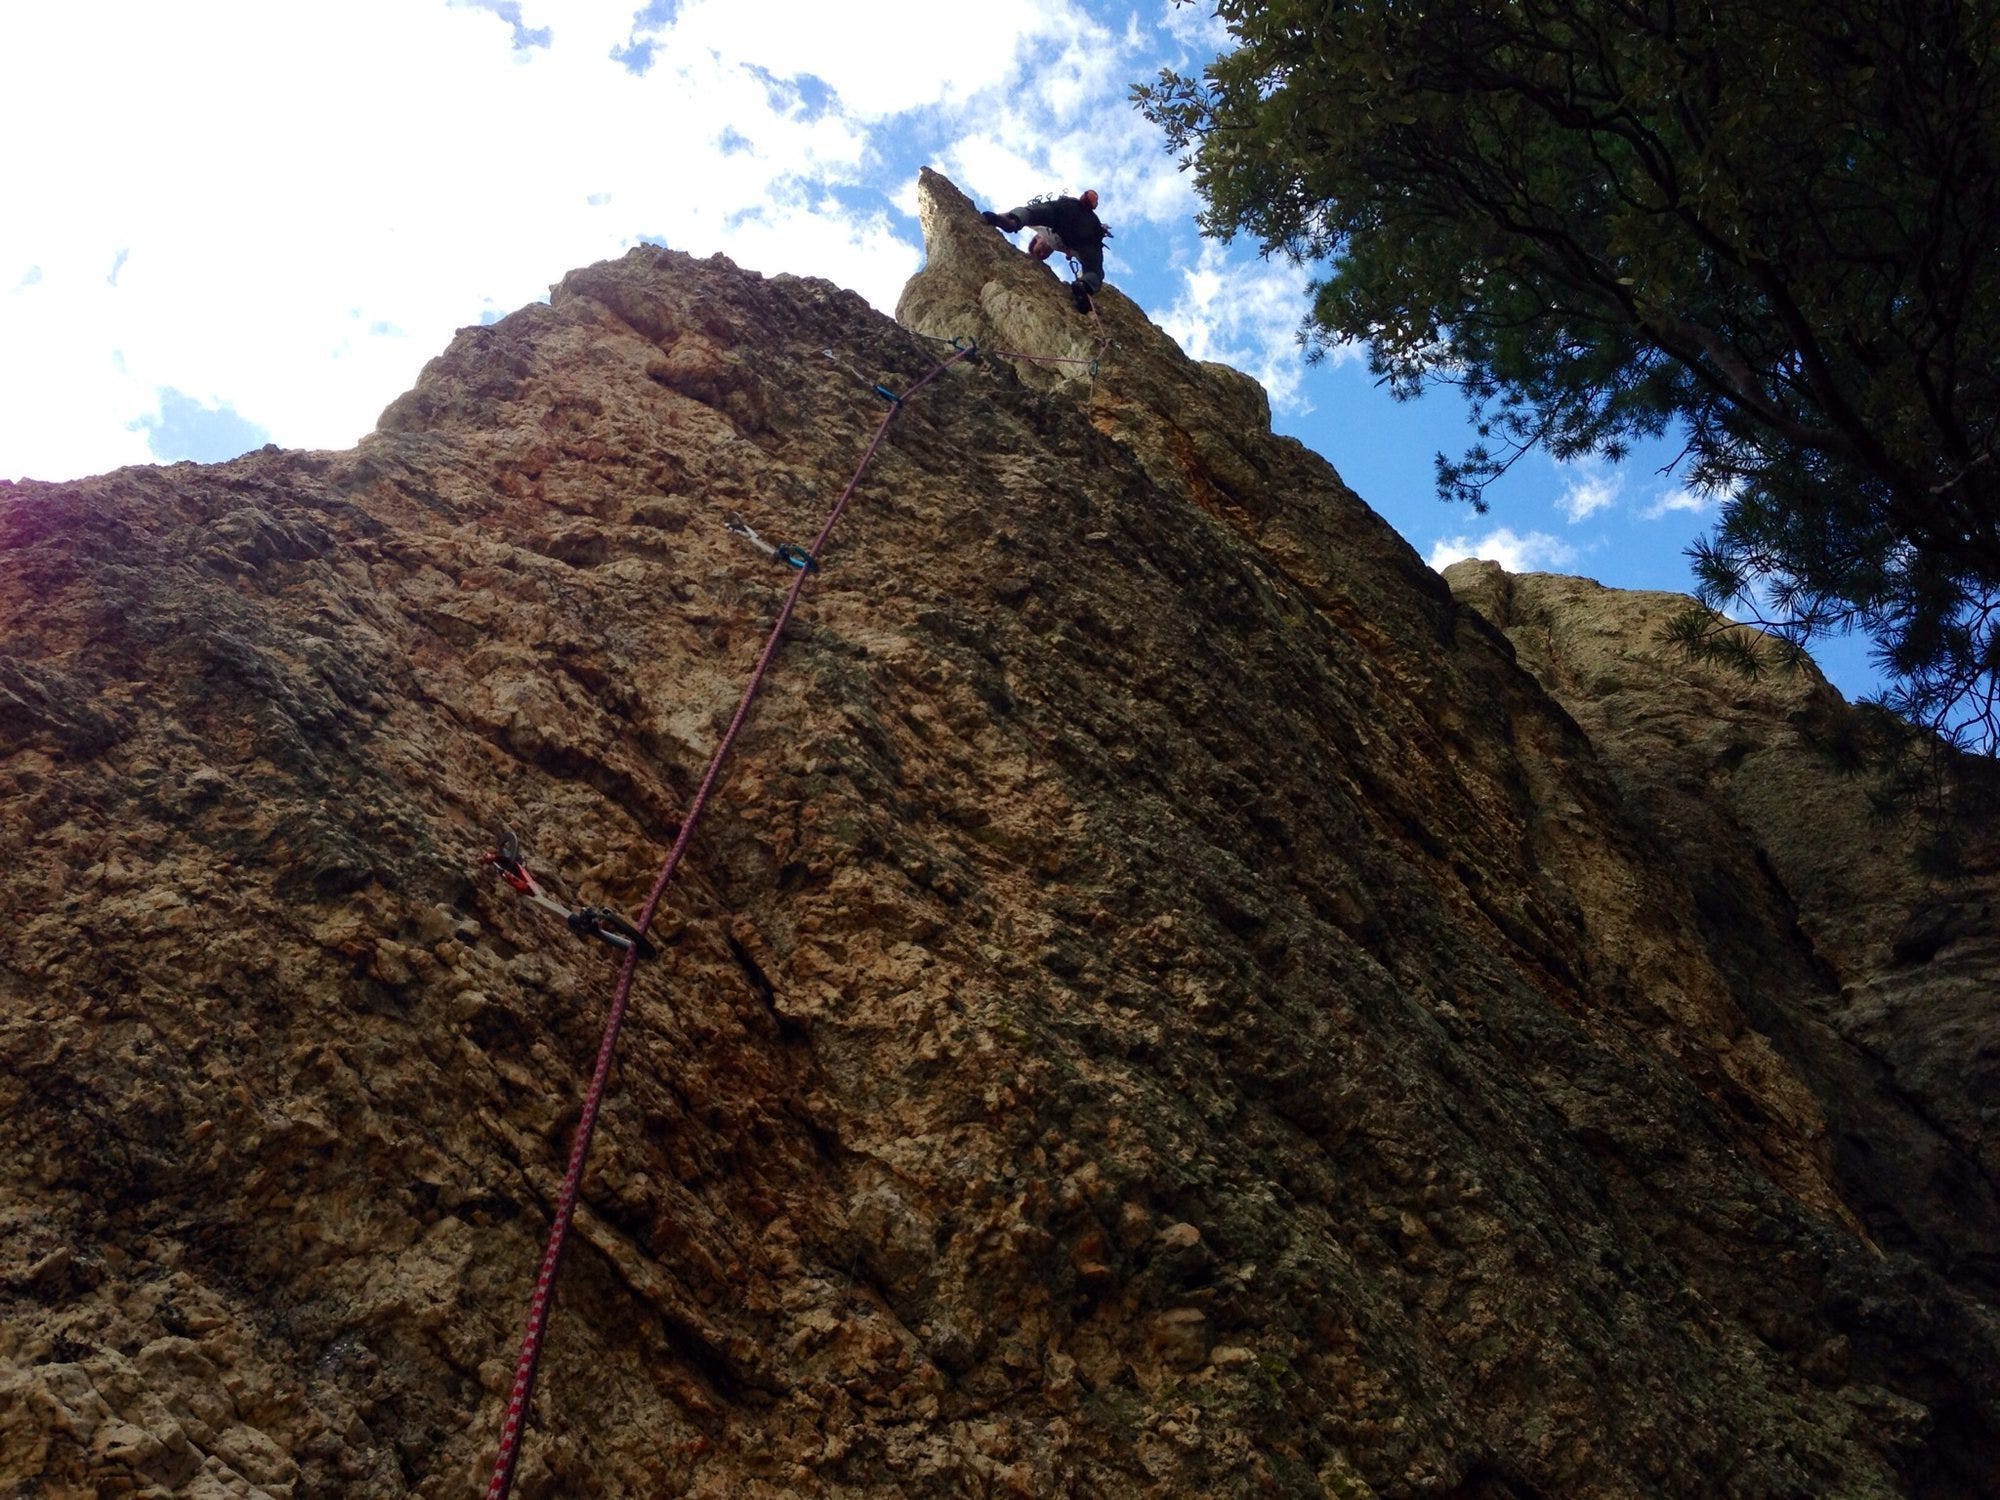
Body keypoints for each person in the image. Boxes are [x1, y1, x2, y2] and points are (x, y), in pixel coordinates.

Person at [982, 190, 1110, 312]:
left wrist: (1003, 218)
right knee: (1094, 270)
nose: (1042, 254)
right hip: (1089, 234)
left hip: (1067, 211)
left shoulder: (1040, 229)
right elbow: (1076, 255)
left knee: (1030, 213)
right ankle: (1085, 286)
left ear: (1037, 238)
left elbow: (1029, 213)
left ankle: (1012, 222)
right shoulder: (1061, 248)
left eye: (1038, 251)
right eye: (1044, 256)